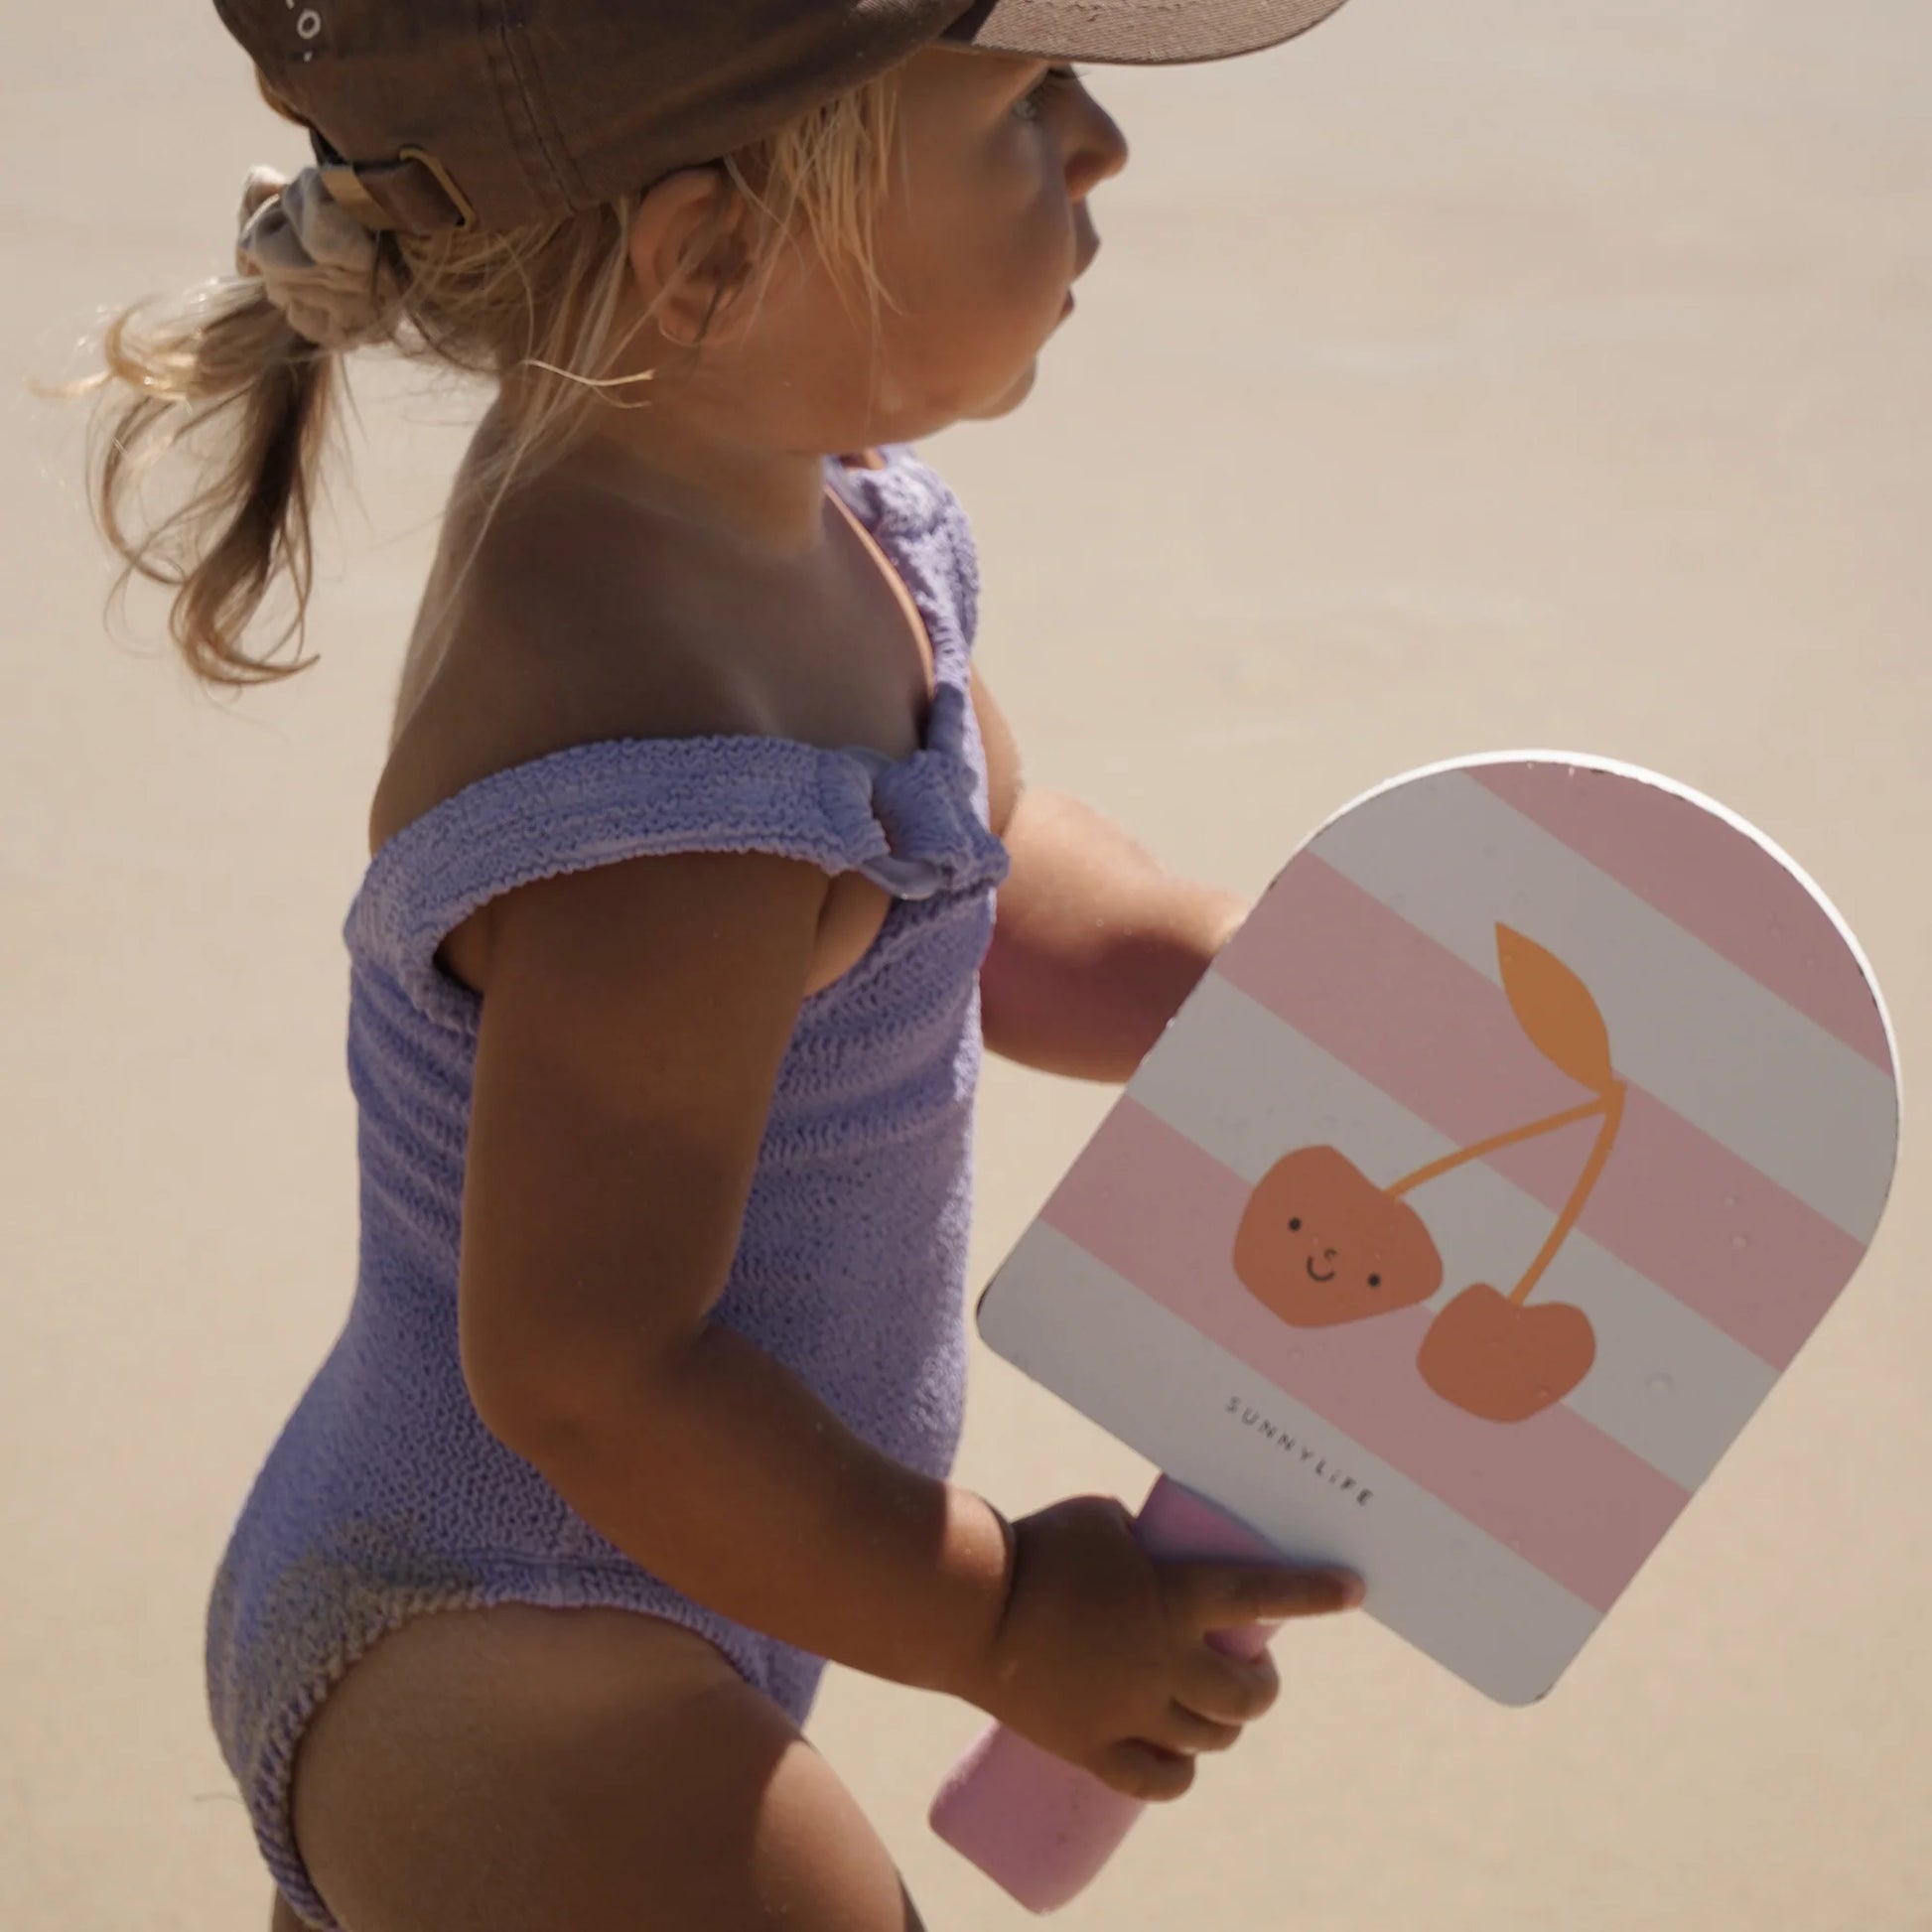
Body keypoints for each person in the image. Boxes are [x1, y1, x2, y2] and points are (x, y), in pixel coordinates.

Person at [72, 3, 1366, 1925]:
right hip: (518, 1646)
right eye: (1022, 101)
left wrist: (1241, 985)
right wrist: (1001, 1614)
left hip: (568, 1586)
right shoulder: (669, 784)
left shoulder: (797, 516)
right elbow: (590, 1369)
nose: (1098, 142)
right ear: (714, 258)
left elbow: (967, 886)